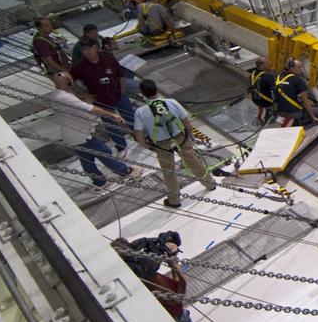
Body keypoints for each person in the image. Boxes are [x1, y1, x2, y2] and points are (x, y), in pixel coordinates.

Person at [132, 78, 217, 208]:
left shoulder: (140, 112)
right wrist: (191, 136)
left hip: (161, 144)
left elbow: (138, 134)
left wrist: (147, 146)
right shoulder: (171, 102)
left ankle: (174, 200)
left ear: (142, 93)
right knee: (193, 161)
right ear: (156, 89)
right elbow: (185, 120)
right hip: (180, 137)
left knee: (168, 171)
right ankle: (210, 183)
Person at [51, 71, 135, 187]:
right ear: (68, 81)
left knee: (87, 159)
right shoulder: (65, 97)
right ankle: (125, 172)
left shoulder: (57, 95)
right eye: (71, 80)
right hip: (81, 135)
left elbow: (76, 103)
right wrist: (112, 115)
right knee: (104, 152)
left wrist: (83, 96)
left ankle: (99, 182)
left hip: (72, 135)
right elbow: (91, 109)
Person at [114, 232, 199, 322]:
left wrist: (172, 263)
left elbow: (177, 284)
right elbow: (179, 294)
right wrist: (174, 265)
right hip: (179, 320)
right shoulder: (157, 282)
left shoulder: (147, 277)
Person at [71, 39, 135, 150]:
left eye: (89, 48)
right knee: (111, 125)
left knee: (130, 118)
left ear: (95, 47)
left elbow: (121, 75)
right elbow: (70, 81)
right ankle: (121, 146)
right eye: (84, 50)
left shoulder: (108, 59)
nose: (87, 52)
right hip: (100, 100)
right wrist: (84, 94)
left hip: (118, 95)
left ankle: (140, 138)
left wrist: (123, 91)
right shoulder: (80, 67)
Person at [274, 59, 318, 127]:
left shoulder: (279, 76)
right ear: (292, 68)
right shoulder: (298, 80)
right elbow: (305, 102)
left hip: (280, 111)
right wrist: (313, 117)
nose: (301, 69)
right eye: (299, 67)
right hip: (292, 113)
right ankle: (296, 121)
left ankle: (287, 118)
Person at [248, 58, 278, 123]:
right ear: (262, 65)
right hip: (266, 102)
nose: (270, 64)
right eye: (268, 63)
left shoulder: (252, 74)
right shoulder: (268, 76)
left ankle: (261, 116)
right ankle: (268, 119)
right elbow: (277, 88)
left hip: (256, 99)